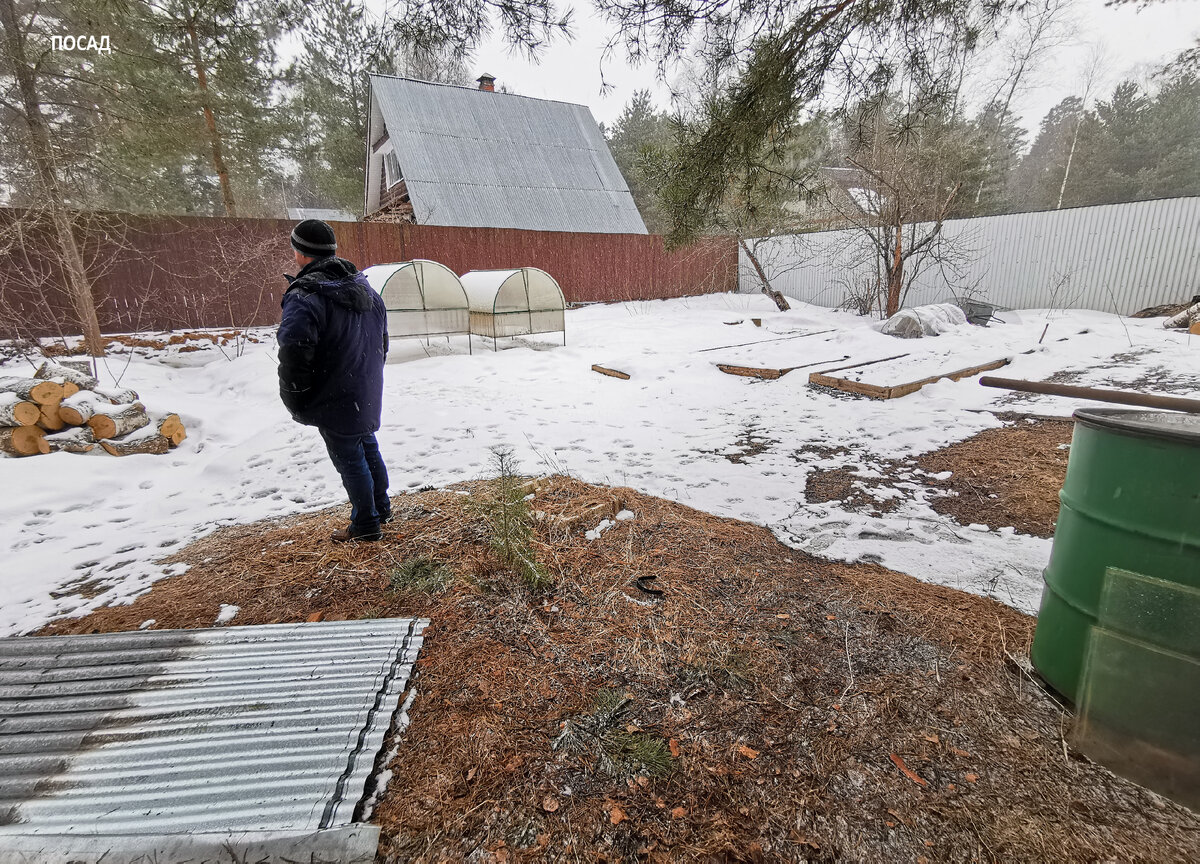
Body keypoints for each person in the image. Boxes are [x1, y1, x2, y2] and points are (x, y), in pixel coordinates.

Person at [277, 219, 392, 541]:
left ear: (300, 253)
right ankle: (380, 509)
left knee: (350, 458)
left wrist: (295, 393)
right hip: (363, 388)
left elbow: (294, 352)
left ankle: (366, 525)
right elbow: (382, 343)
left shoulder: (306, 296)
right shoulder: (364, 289)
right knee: (366, 446)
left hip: (333, 393)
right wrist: (368, 377)